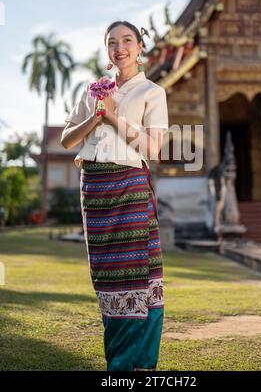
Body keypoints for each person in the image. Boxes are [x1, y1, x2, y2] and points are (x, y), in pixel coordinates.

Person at [60, 20, 169, 371]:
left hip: (131, 186)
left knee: (141, 275)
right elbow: (67, 140)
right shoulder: (92, 91)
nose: (119, 47)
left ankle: (137, 368)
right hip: (94, 188)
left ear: (140, 47)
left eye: (127, 40)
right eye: (112, 42)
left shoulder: (152, 92)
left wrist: (114, 117)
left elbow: (153, 148)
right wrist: (96, 116)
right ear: (106, 51)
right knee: (109, 279)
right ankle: (121, 368)